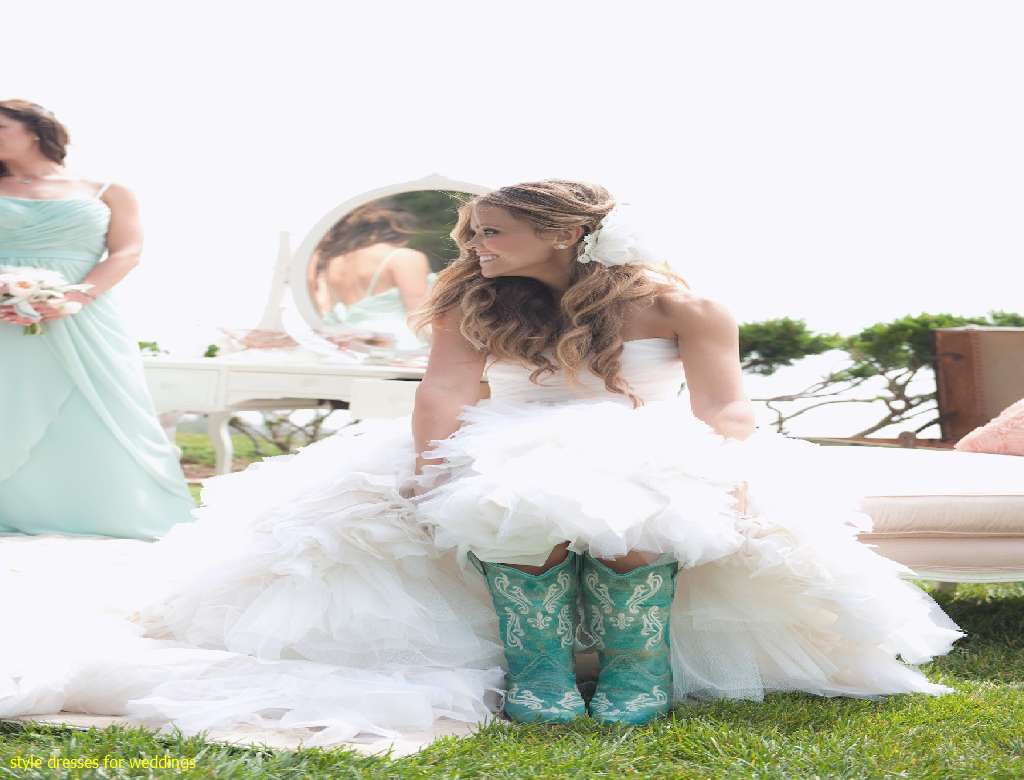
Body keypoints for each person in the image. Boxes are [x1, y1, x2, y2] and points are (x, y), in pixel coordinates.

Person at [0, 180, 962, 744]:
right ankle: (542, 669)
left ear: (565, 233)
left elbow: (724, 405)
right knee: (511, 498)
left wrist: (730, 465)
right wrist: (434, 467)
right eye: (470, 234)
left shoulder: (682, 306)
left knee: (650, 507)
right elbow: (446, 395)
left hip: (645, 434)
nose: (473, 245)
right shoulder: (475, 300)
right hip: (504, 433)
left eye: (491, 232)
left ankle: (631, 671)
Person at [0, 100, 194, 537]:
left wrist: (75, 295)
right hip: (1, 314)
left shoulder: (107, 189)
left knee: (97, 406)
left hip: (83, 315)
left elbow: (128, 251)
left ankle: (107, 513)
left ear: (34, 130)